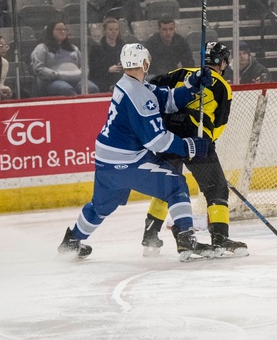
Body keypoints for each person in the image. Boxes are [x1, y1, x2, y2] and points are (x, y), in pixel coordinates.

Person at [57, 43, 216, 261]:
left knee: (101, 206)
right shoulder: (139, 95)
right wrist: (191, 146)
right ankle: (187, 239)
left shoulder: (128, 85)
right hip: (129, 162)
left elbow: (166, 99)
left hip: (106, 161)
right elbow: (158, 141)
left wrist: (191, 86)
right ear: (144, 63)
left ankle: (71, 241)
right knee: (176, 185)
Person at [142, 42, 247, 258]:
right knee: (216, 188)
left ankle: (150, 237)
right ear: (223, 62)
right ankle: (219, 238)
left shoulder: (181, 73)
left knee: (168, 186)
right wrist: (209, 146)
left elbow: (152, 88)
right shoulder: (222, 87)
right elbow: (219, 124)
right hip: (196, 139)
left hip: (168, 136)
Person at [31, 21, 99, 97]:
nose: (62, 32)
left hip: (76, 80)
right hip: (51, 81)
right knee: (66, 89)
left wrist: (81, 73)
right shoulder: (42, 48)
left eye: (64, 29)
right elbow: (39, 68)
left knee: (92, 88)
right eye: (59, 29)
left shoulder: (73, 48)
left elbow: (84, 66)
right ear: (51, 31)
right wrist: (56, 75)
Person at [88, 16, 125, 93]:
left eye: (116, 29)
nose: (114, 32)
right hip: (102, 79)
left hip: (121, 77)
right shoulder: (96, 48)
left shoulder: (124, 47)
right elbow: (93, 69)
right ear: (104, 31)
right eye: (110, 29)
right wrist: (108, 70)